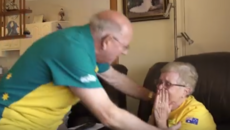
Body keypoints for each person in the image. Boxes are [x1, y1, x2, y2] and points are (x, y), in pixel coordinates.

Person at [0, 10, 180, 130]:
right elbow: (109, 115)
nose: (124, 52)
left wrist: (152, 97)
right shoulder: (72, 50)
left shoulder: (87, 45)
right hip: (12, 124)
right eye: (124, 47)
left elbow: (116, 79)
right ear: (108, 41)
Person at [148, 62, 216, 130]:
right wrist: (153, 118)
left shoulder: (195, 115)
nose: (159, 87)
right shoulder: (161, 105)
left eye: (168, 84)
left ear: (185, 91)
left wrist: (161, 123)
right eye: (159, 82)